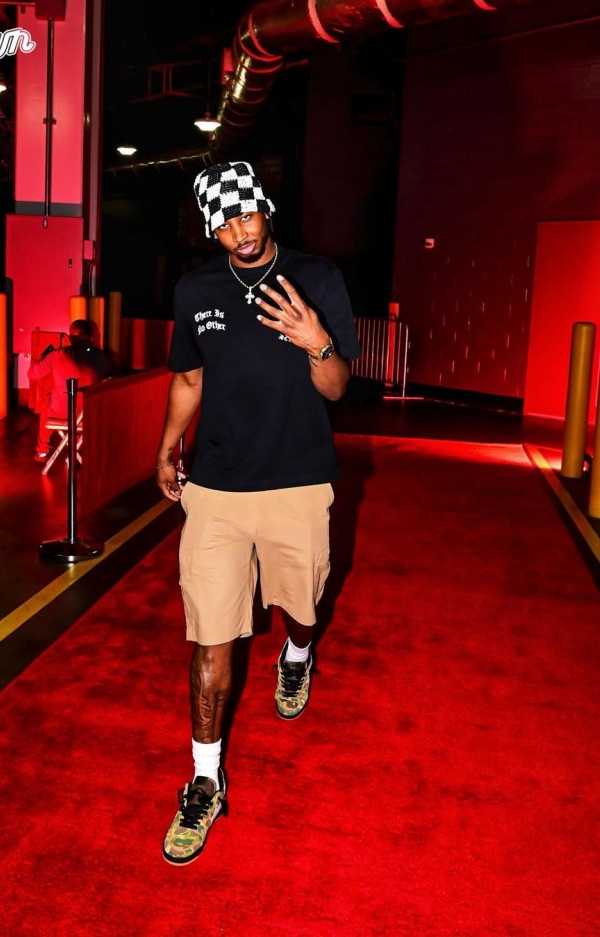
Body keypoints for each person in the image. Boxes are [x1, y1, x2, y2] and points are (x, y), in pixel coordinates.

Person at [155, 160, 361, 864]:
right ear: (210, 229)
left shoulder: (316, 278)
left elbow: (336, 387)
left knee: (302, 605)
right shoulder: (196, 290)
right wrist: (167, 446)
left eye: (246, 214)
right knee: (211, 634)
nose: (238, 231)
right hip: (215, 488)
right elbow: (189, 378)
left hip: (297, 481)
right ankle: (204, 779)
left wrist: (315, 339)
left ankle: (298, 653)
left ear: (266, 208)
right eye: (223, 222)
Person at [28, 318, 113, 462]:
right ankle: (78, 445)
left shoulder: (57, 355)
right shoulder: (101, 356)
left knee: (46, 401)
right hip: (89, 413)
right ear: (91, 337)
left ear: (70, 337)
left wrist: (41, 359)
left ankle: (42, 451)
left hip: (60, 412)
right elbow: (110, 380)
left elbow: (32, 374)